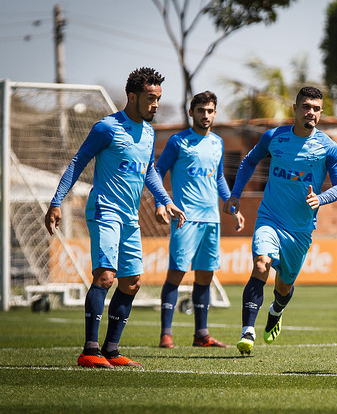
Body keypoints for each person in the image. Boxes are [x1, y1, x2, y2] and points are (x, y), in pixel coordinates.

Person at [45, 67, 186, 369]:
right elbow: (78, 161)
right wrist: (57, 201)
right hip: (104, 211)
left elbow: (148, 170)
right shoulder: (106, 128)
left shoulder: (149, 132)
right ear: (132, 96)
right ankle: (89, 350)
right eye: (150, 98)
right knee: (106, 277)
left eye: (158, 98)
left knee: (132, 282)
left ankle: (111, 349)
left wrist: (165, 200)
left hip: (130, 218)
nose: (156, 105)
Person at [223, 86, 337, 355]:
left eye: (315, 108)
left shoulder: (328, 147)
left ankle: (276, 311)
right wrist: (235, 194)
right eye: (305, 106)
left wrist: (321, 199)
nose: (310, 112)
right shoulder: (274, 137)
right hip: (270, 216)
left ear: (320, 112)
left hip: (300, 229)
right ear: (295, 108)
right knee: (261, 263)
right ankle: (248, 331)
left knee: (284, 285)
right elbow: (248, 162)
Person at [155, 90, 245, 349]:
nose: (205, 115)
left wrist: (232, 207)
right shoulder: (177, 142)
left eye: (210, 111)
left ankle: (201, 335)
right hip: (185, 218)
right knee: (177, 272)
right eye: (200, 110)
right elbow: (158, 172)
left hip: (212, 220)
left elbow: (218, 178)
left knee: (205, 276)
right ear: (191, 112)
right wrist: (161, 203)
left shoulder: (217, 142)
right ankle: (166, 333)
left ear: (215, 113)